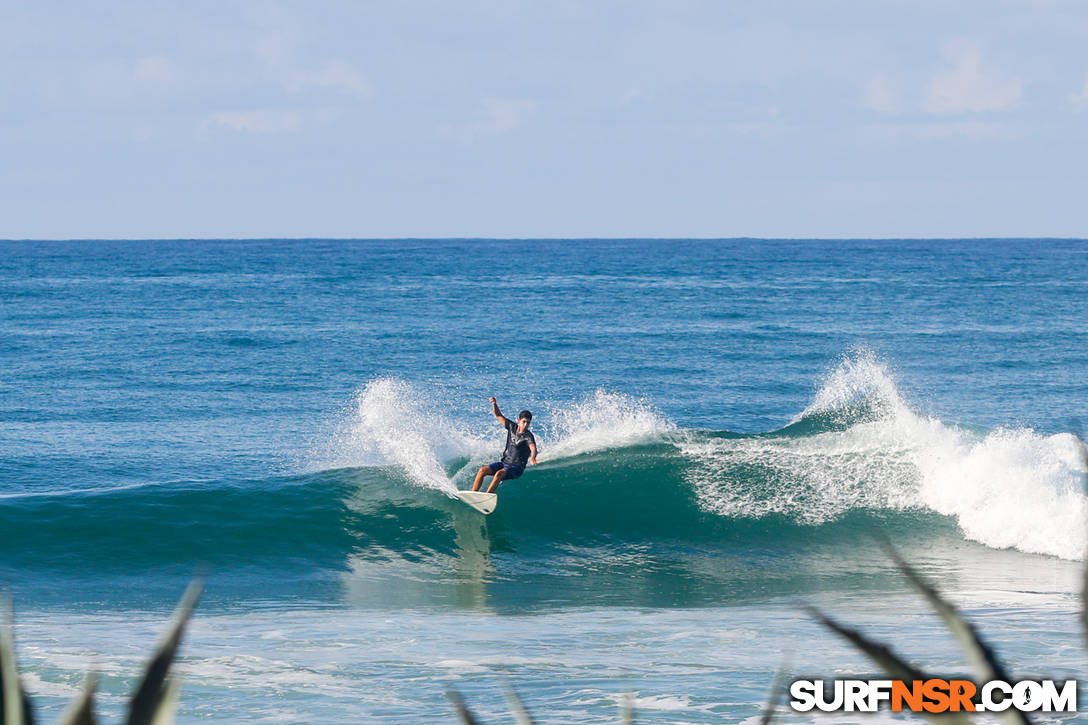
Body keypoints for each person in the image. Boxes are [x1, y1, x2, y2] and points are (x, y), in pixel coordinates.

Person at [471, 397, 538, 494]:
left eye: (528, 422)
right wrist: (494, 403)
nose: (526, 424)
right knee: (482, 470)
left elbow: (533, 447)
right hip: (504, 463)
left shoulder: (528, 436)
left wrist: (533, 457)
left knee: (499, 473)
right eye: (524, 421)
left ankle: (487, 495)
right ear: (518, 420)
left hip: (516, 468)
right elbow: (498, 415)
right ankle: (474, 493)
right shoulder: (511, 427)